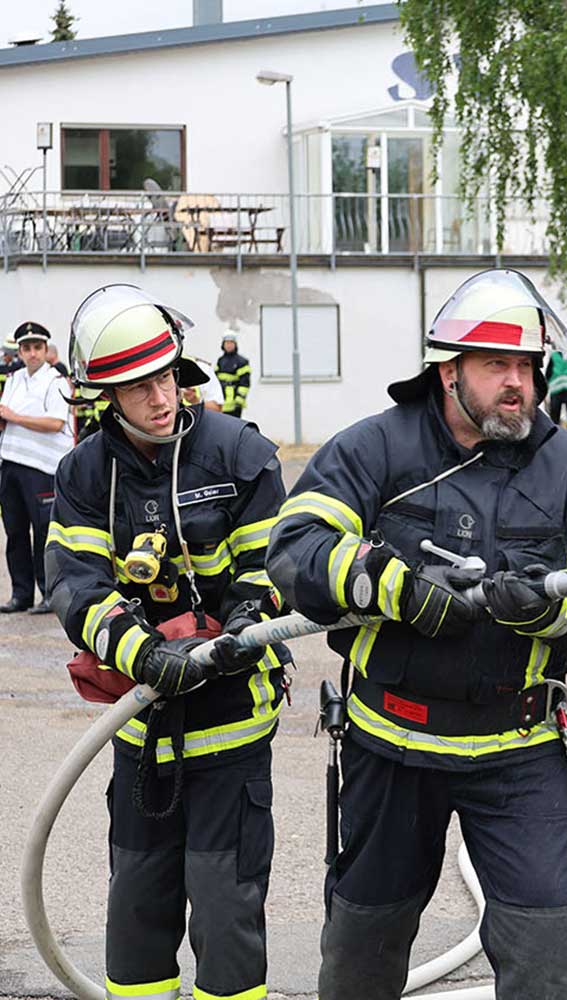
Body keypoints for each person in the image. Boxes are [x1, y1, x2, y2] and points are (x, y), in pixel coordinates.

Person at [265, 268, 567, 1000]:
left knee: (549, 960)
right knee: (361, 952)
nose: (518, 384)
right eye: (496, 365)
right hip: (390, 742)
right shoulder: (375, 449)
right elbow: (295, 547)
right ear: (447, 371)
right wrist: (392, 585)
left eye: (527, 367)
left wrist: (549, 610)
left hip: (521, 749)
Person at [45, 285, 292, 1000]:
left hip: (232, 725)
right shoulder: (86, 473)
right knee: (137, 910)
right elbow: (78, 589)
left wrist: (243, 628)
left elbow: (270, 568)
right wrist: (144, 653)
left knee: (226, 907)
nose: (160, 397)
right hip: (142, 729)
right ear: (104, 397)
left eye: (166, 378)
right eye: (138, 387)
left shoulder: (239, 454)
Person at [0, 322, 73, 613]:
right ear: (20, 351)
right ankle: (20, 595)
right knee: (15, 532)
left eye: (37, 348)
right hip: (11, 464)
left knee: (44, 534)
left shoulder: (55, 381)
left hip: (41, 468)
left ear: (45, 350)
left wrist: (15, 416)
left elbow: (55, 423)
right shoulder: (15, 378)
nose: (32, 353)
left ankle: (48, 594)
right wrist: (9, 418)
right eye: (26, 348)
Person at [216, 333, 251, 418]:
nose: (229, 345)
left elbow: (245, 383)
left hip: (234, 402)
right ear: (223, 345)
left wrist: (239, 401)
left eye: (231, 343)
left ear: (235, 344)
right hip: (221, 400)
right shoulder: (220, 361)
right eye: (227, 343)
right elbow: (215, 380)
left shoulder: (241, 362)